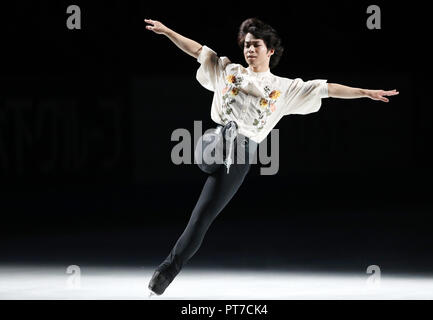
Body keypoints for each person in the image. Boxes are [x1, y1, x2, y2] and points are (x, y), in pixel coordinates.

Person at [144, 17, 399, 296]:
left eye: (255, 45)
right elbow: (197, 51)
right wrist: (168, 31)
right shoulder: (229, 69)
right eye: (246, 45)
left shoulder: (284, 88)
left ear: (270, 51)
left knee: (202, 217)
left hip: (242, 154)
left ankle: (164, 275)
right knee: (215, 142)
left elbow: (326, 89)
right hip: (214, 142)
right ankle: (223, 138)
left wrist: (365, 93)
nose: (249, 50)